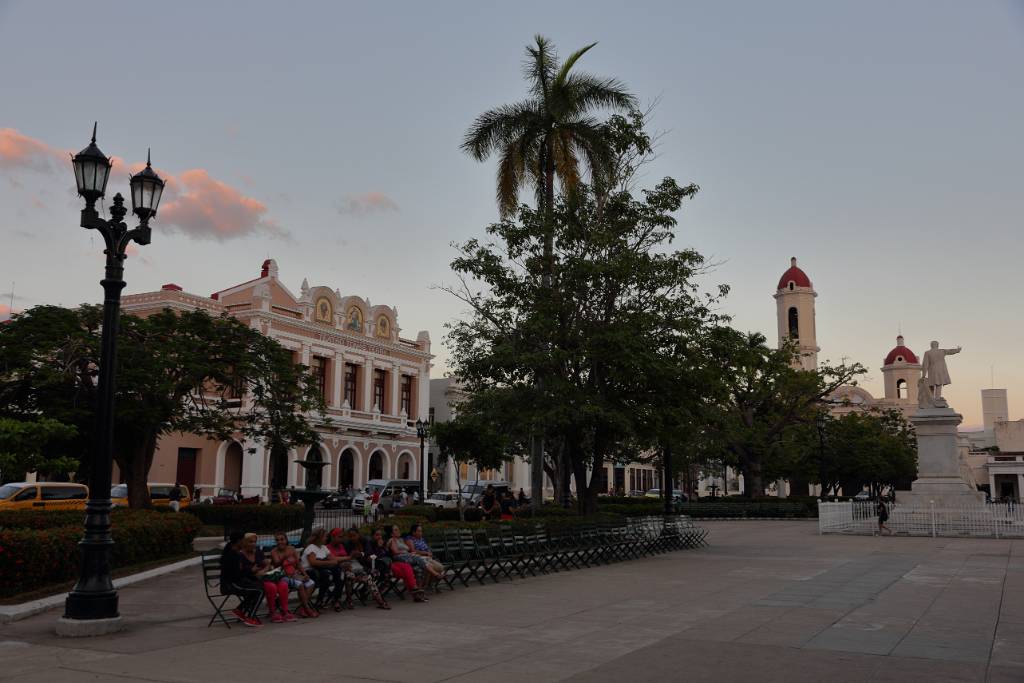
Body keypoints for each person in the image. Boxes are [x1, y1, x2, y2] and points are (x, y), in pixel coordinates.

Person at [327, 528, 390, 610]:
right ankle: (348, 600)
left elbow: (365, 553)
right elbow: (333, 559)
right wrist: (348, 558)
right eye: (340, 537)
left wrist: (355, 556)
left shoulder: (342, 546)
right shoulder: (328, 548)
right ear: (333, 537)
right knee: (349, 576)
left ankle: (380, 601)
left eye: (342, 537)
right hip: (343, 569)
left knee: (369, 579)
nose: (342, 539)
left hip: (355, 567)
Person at [239, 532, 294, 623]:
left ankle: (285, 610)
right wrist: (253, 571)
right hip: (252, 580)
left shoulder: (258, 552)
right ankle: (272, 612)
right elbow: (240, 571)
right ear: (244, 543)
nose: (253, 544)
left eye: (254, 542)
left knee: (283, 584)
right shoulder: (240, 555)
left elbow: (267, 563)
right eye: (250, 542)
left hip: (265, 576)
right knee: (271, 587)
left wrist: (264, 569)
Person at [219, 531, 262, 627]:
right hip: (230, 585)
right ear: (239, 541)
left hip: (235, 582)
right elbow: (236, 575)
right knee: (259, 591)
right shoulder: (232, 555)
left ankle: (239, 610)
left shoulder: (234, 552)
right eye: (243, 540)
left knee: (259, 587)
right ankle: (250, 618)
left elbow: (239, 573)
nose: (244, 542)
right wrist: (251, 571)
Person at [271, 533, 318, 619]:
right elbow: (277, 565)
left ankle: (302, 607)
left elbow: (298, 564)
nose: (280, 542)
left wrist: (305, 574)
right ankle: (307, 609)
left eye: (282, 539)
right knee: (299, 584)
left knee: (311, 583)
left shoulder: (292, 549)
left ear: (286, 540)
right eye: (277, 540)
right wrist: (284, 557)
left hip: (294, 574)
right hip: (282, 576)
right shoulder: (274, 551)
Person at [302, 527, 343, 610]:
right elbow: (313, 562)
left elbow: (333, 559)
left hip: (321, 569)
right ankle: (320, 600)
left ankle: (336, 598)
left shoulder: (323, 547)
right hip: (310, 571)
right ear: (319, 538)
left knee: (340, 573)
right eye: (325, 536)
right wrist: (329, 562)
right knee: (327, 575)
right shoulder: (311, 547)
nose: (326, 538)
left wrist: (349, 558)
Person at [385, 525, 429, 602]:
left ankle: (418, 594)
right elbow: (395, 552)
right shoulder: (392, 540)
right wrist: (408, 553)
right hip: (400, 559)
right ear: (391, 534)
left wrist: (409, 553)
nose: (398, 531)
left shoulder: (401, 540)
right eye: (396, 530)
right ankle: (420, 591)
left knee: (418, 570)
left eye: (398, 529)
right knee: (421, 562)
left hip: (408, 558)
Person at [406, 523, 445, 592]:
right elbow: (413, 551)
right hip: (419, 559)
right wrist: (426, 553)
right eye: (419, 531)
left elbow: (427, 548)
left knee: (440, 567)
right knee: (431, 567)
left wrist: (429, 552)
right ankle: (425, 586)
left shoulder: (421, 539)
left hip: (428, 558)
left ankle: (430, 584)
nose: (421, 533)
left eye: (421, 531)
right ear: (413, 532)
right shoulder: (410, 539)